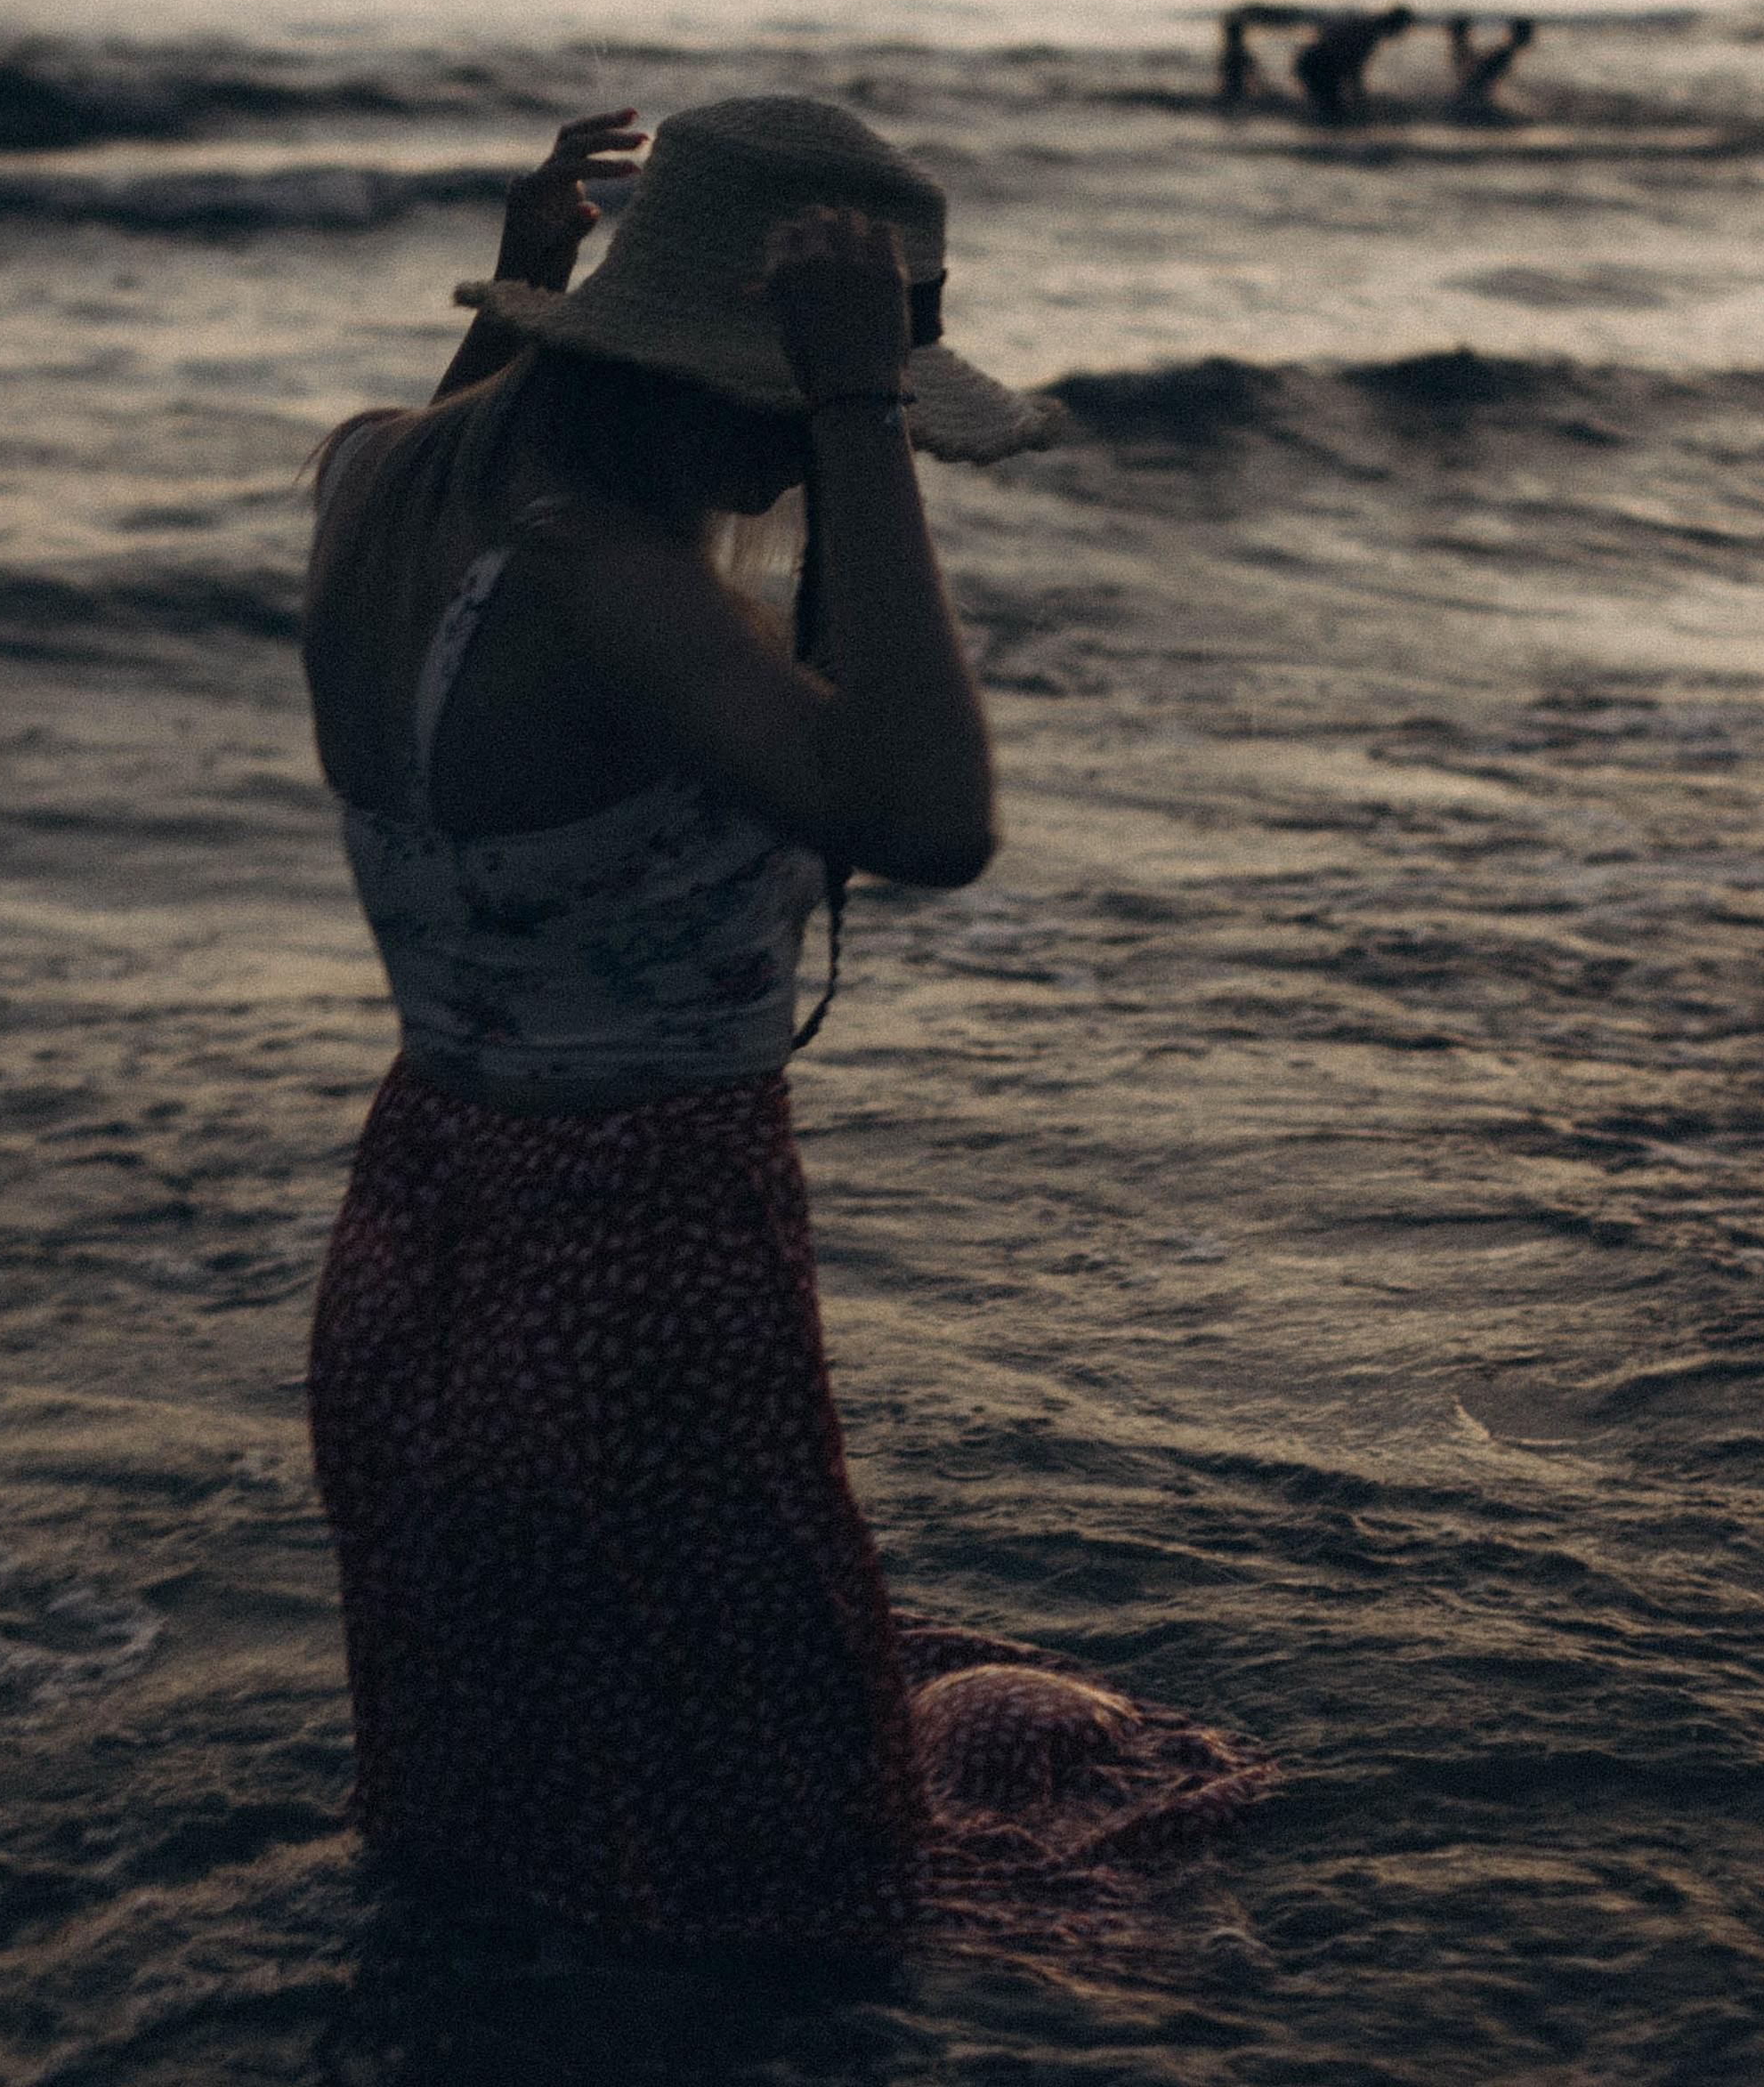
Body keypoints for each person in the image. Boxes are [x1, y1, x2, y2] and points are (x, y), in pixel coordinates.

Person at [301, 94, 1265, 1960]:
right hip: (641, 1282)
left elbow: (458, 428)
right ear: (738, 386)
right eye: (781, 421)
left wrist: (524, 294)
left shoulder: (387, 496)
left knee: (491, 1840)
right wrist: (858, 410)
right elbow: (925, 820)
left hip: (415, 1256)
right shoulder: (613, 594)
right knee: (793, 1877)